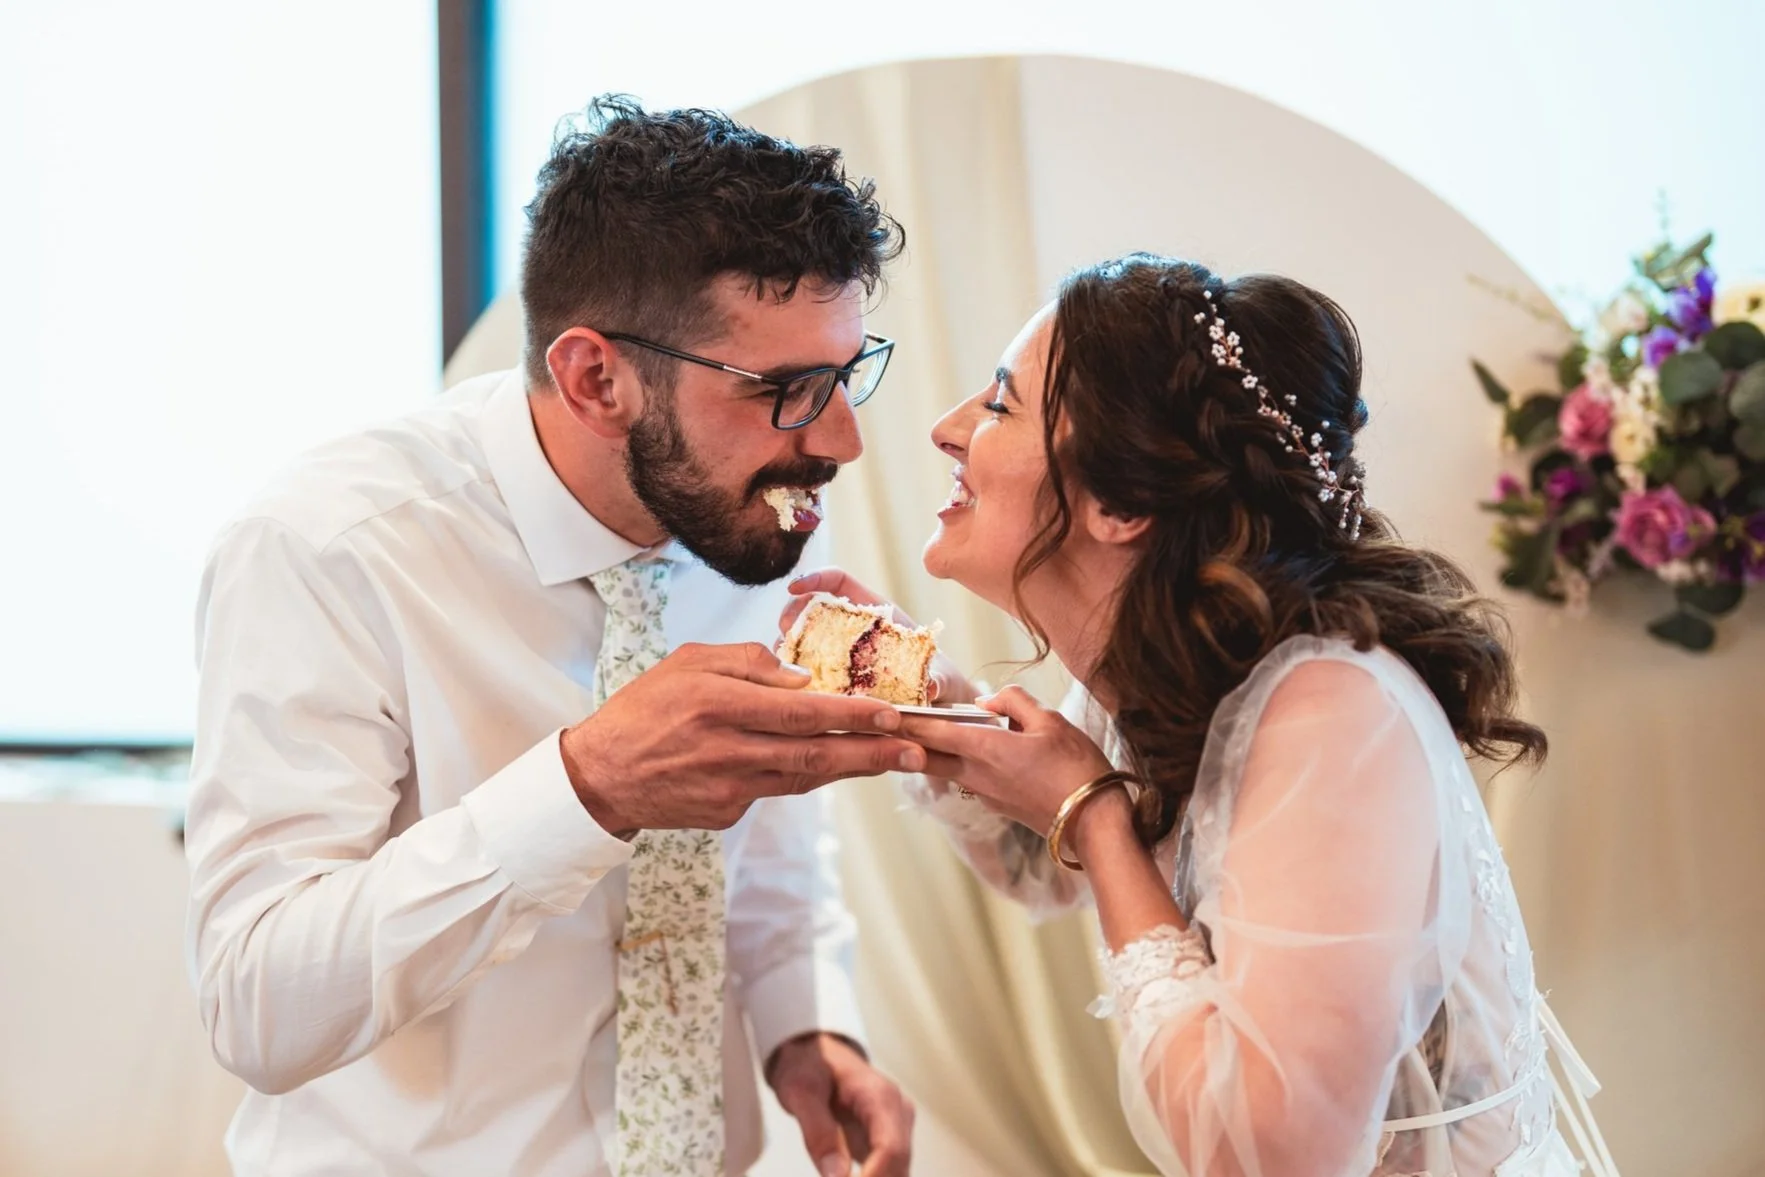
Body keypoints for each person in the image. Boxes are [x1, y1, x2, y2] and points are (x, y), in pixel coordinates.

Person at [184, 96, 921, 1177]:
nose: (840, 440)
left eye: (847, 374)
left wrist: (804, 1024)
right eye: (790, 390)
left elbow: (762, 851)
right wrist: (586, 789)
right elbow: (257, 1002)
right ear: (596, 378)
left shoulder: (755, 501)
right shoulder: (327, 548)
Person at [785, 253, 1617, 1176]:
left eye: (997, 404)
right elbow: (1035, 866)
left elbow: (1273, 1154)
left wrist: (1095, 816)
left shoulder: (1331, 716)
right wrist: (928, 697)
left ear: (1121, 500)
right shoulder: (1167, 675)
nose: (946, 430)